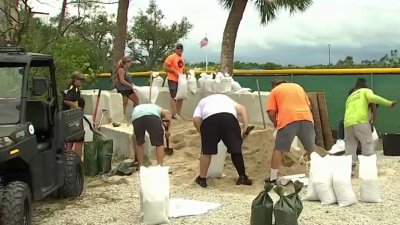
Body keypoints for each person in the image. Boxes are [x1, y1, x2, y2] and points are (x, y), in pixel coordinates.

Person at [192, 94, 252, 188]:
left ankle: (202, 179)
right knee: (235, 150)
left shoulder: (202, 102)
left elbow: (196, 119)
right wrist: (245, 127)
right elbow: (242, 109)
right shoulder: (226, 99)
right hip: (229, 119)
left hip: (210, 120)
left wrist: (203, 134)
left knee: (206, 151)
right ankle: (242, 177)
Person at [266, 80, 316, 183]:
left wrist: (276, 123)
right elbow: (309, 106)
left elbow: (271, 112)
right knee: (311, 148)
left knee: (279, 149)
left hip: (287, 119)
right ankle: (315, 175)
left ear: (274, 86)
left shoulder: (275, 90)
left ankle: (273, 178)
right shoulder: (298, 87)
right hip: (306, 117)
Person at [344, 84, 396, 164]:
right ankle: (368, 168)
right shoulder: (365, 91)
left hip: (347, 123)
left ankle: (350, 168)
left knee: (350, 146)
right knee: (367, 144)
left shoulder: (350, 97)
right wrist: (388, 103)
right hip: (360, 121)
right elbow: (373, 98)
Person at [62, 71, 86, 158]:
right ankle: (77, 161)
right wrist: (77, 107)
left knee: (70, 140)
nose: (82, 82)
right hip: (72, 118)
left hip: (71, 118)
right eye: (81, 80)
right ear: (75, 79)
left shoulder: (73, 88)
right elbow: (67, 100)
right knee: (79, 139)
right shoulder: (73, 89)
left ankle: (68, 159)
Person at [163, 43, 185, 119]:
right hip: (172, 79)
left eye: (181, 49)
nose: (180, 50)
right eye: (178, 48)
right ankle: (174, 114)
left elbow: (182, 69)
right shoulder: (171, 57)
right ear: (176, 49)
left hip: (181, 79)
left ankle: (178, 113)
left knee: (181, 96)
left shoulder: (182, 58)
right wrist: (173, 71)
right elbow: (165, 66)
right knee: (174, 96)